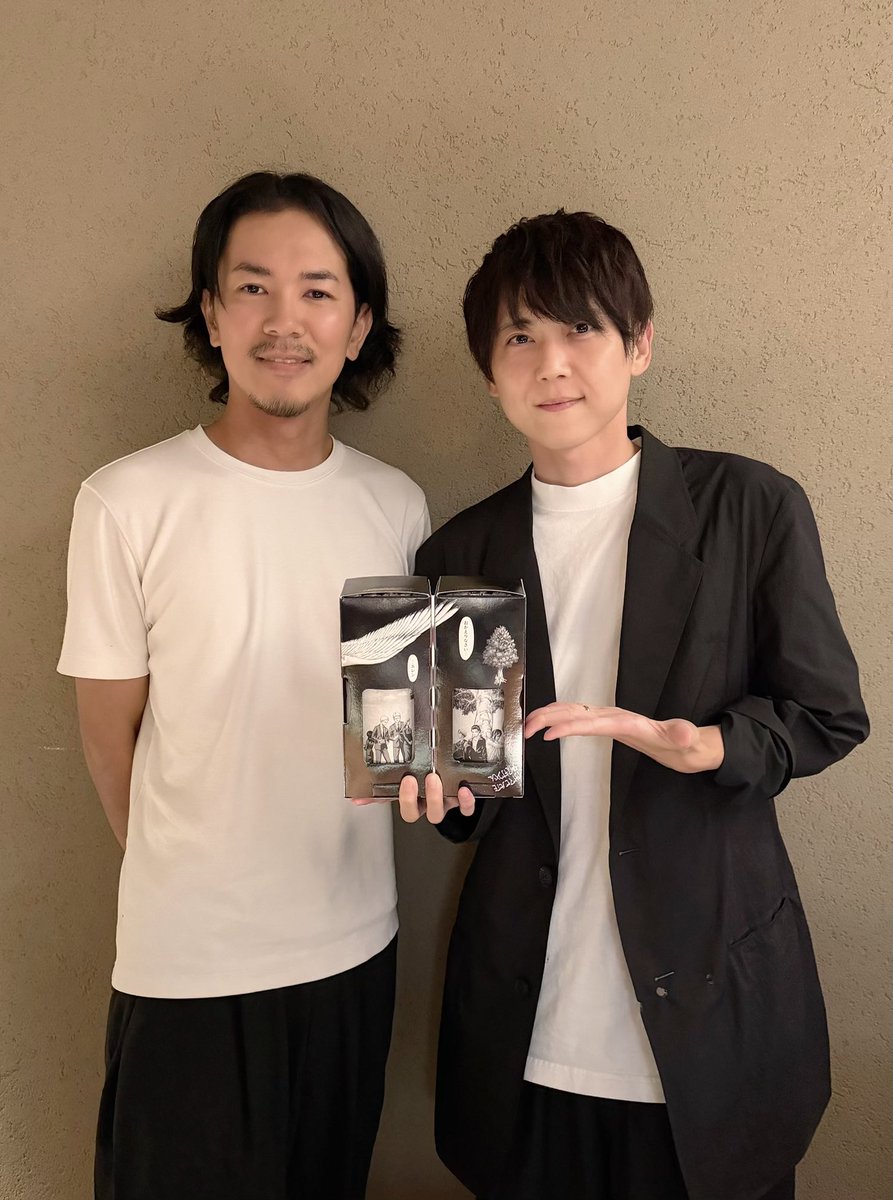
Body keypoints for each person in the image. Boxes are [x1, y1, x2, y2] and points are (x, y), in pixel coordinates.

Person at [390, 211, 868, 1200]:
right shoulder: (459, 553)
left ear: (638, 343)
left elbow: (826, 715)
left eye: (580, 328)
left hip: (708, 1014)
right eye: (519, 337)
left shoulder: (746, 507)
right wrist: (438, 795)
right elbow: (467, 793)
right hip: (529, 1024)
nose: (551, 363)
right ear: (488, 373)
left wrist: (712, 746)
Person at [58, 170, 429, 1200]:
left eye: (317, 291)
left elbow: (397, 724)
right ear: (212, 314)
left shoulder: (396, 506)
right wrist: (199, 877)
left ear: (358, 325)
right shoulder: (126, 501)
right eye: (253, 288)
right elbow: (109, 742)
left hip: (355, 947)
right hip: (190, 966)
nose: (284, 321)